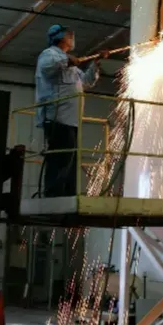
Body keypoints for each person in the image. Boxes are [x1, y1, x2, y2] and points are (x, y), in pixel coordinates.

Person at [35, 24, 106, 197]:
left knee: (70, 160)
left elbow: (87, 82)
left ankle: (68, 195)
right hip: (56, 118)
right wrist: (67, 60)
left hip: (71, 120)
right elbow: (48, 68)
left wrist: (95, 63)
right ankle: (54, 195)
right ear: (59, 37)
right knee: (60, 159)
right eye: (69, 35)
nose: (72, 38)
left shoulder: (72, 65)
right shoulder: (49, 54)